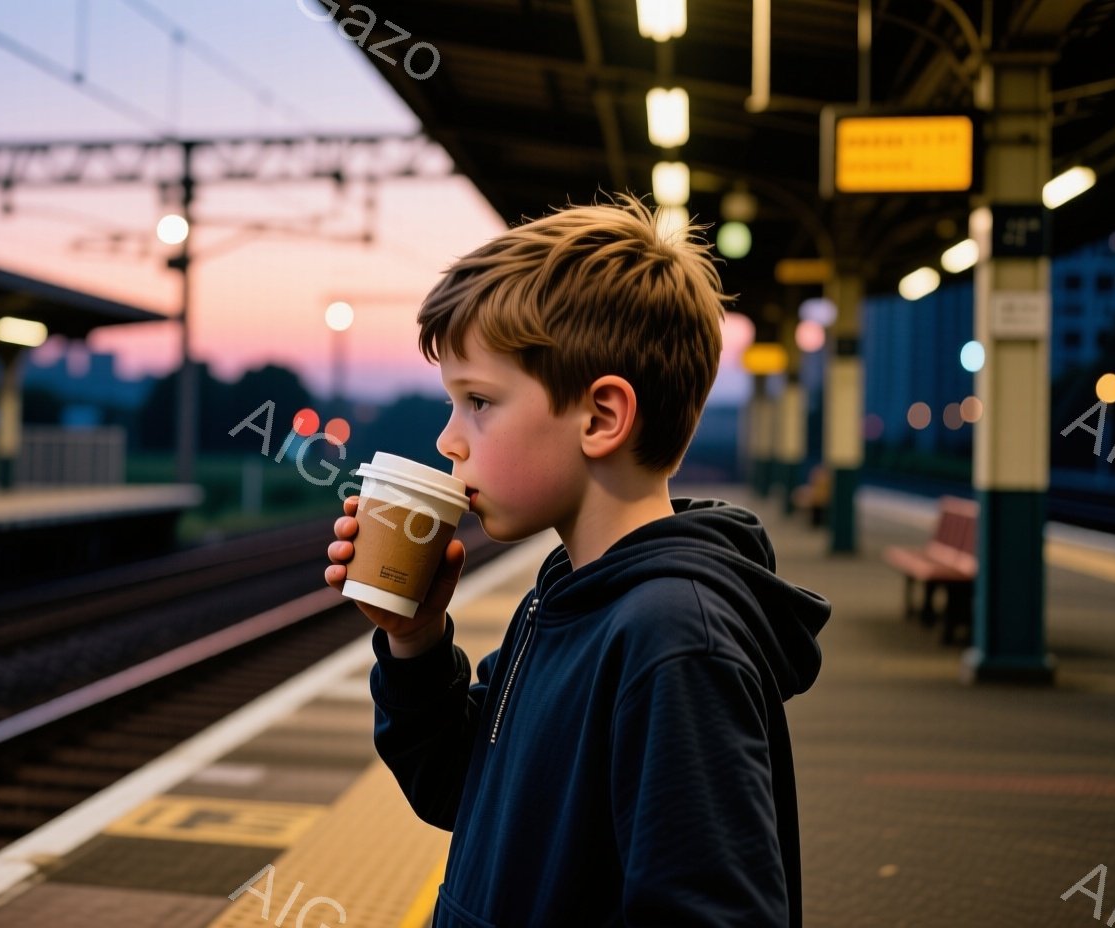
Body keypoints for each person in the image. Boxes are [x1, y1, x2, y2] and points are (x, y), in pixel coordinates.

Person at [324, 194, 831, 926]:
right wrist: (414, 639)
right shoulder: (565, 595)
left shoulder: (674, 642)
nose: (449, 439)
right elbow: (458, 788)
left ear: (601, 418)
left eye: (479, 402)